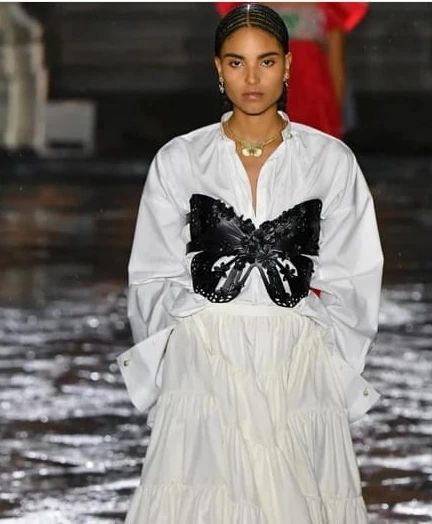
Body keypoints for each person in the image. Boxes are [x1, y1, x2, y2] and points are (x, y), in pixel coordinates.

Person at [117, 3, 383, 522]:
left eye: (266, 61)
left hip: (297, 360)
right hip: (204, 357)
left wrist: (325, 353)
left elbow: (356, 273)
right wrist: (178, 347)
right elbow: (151, 271)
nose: (253, 78)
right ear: (218, 68)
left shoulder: (330, 161)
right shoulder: (180, 159)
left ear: (288, 65)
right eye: (237, 62)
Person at [216, 2, 369, 139]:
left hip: (314, 105)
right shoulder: (246, 9)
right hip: (265, 103)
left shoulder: (329, 9)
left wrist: (333, 115)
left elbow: (336, 66)